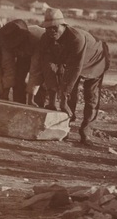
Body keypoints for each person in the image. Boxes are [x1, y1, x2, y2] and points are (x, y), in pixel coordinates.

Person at [39, 8, 109, 145]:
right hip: (73, 63)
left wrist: (63, 97)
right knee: (70, 95)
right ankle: (65, 128)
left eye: (54, 27)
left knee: (91, 97)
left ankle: (86, 132)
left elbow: (75, 68)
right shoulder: (46, 38)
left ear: (63, 26)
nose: (51, 31)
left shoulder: (76, 38)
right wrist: (53, 99)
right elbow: (48, 67)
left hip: (95, 61)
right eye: (48, 28)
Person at [0, 19, 58, 107]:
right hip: (24, 55)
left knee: (40, 82)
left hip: (42, 53)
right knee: (18, 78)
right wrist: (5, 93)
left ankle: (37, 106)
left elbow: (35, 70)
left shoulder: (37, 40)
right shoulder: (8, 38)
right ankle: (18, 105)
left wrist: (30, 99)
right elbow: (8, 66)